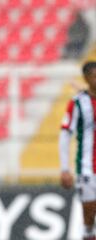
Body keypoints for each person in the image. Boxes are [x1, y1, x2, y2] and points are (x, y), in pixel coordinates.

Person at [59, 61, 96, 240]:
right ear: (87, 78)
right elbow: (65, 135)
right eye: (94, 76)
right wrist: (65, 169)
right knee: (89, 217)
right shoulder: (78, 103)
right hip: (87, 168)